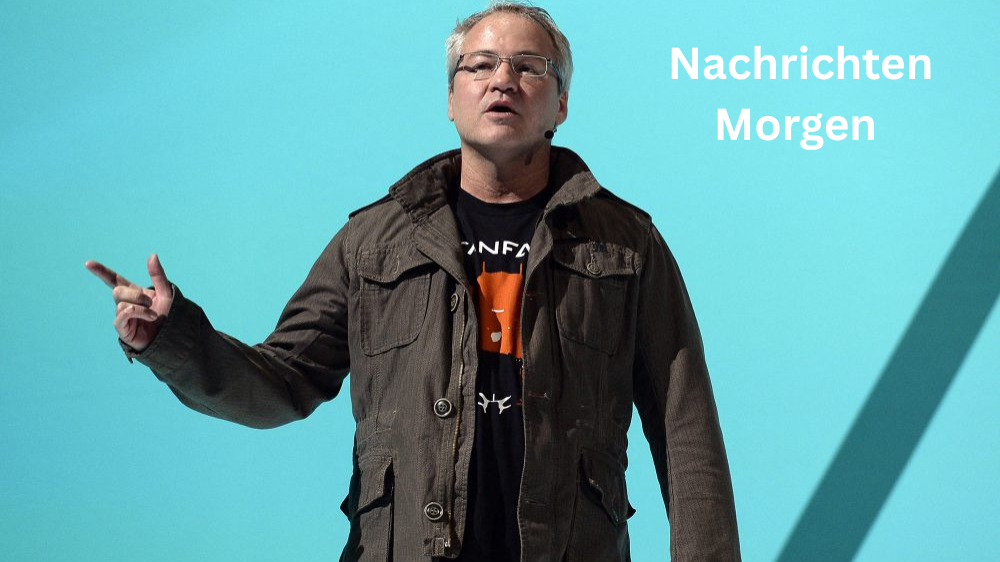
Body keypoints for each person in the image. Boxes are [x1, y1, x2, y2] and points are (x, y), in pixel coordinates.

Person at [86, 2, 741, 561]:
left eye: (529, 66)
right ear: (451, 99)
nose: (502, 79)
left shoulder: (626, 243)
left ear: (562, 103)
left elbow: (685, 429)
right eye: (479, 66)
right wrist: (173, 338)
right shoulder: (371, 240)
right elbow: (281, 383)